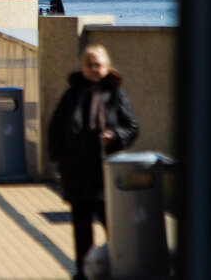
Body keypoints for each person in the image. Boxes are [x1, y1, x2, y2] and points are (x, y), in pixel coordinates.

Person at [48, 45, 138, 280]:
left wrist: (114, 137)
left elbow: (131, 127)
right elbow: (56, 127)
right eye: (89, 65)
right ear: (83, 68)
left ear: (107, 67)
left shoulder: (115, 94)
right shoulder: (73, 93)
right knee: (81, 228)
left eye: (98, 65)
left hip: (105, 173)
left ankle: (119, 267)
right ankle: (84, 271)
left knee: (114, 226)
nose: (94, 69)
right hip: (77, 173)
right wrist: (58, 159)